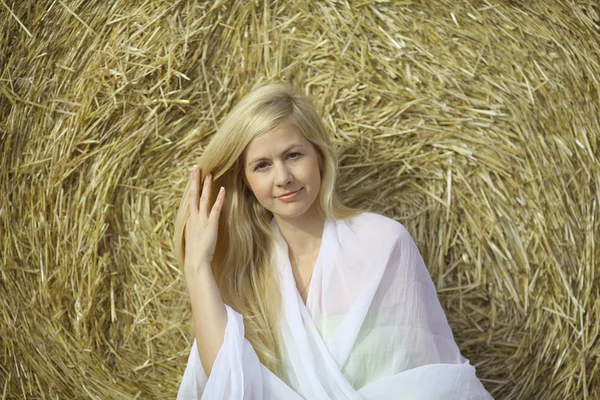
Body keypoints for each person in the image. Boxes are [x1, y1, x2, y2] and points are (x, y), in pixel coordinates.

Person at [173, 82, 493, 399]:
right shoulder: (246, 273)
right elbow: (227, 384)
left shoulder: (383, 243)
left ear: (319, 157)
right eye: (263, 165)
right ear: (247, 181)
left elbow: (431, 380)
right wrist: (197, 266)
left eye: (293, 155)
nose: (283, 177)